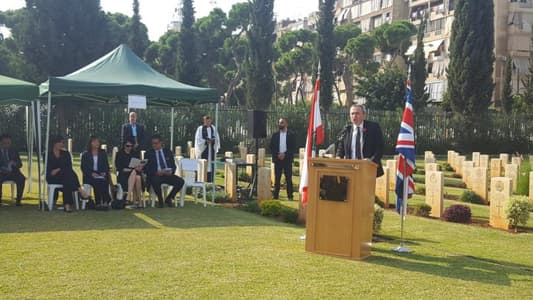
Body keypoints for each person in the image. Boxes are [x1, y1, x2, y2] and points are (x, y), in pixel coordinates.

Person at [336, 104, 384, 177]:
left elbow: (380, 148)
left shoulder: (373, 127)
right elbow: (341, 149)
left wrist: (371, 161)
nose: (354, 116)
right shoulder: (347, 130)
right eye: (352, 114)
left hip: (368, 168)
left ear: (364, 115)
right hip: (350, 169)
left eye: (357, 113)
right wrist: (338, 157)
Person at [46, 136, 90, 212]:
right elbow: (50, 171)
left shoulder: (66, 154)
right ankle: (80, 190)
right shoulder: (48, 154)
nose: (62, 144)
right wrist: (60, 168)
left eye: (63, 142)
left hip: (65, 177)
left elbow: (69, 166)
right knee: (68, 175)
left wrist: (58, 169)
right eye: (60, 142)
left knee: (67, 179)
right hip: (53, 177)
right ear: (54, 143)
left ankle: (67, 205)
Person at [144, 134, 184, 208]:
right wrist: (156, 172)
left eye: (156, 143)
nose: (154, 145)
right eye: (152, 143)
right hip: (156, 175)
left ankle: (169, 198)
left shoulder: (168, 152)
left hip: (167, 174)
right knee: (155, 180)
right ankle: (160, 200)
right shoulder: (148, 153)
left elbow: (173, 166)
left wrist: (171, 171)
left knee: (180, 181)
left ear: (161, 143)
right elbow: (146, 168)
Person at [269, 118, 297, 200]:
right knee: (277, 178)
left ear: (286, 124)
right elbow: (271, 147)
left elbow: (293, 147)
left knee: (288, 178)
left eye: (282, 123)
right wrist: (278, 154)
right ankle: (276, 195)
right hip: (278, 159)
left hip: (287, 159)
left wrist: (285, 154)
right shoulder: (275, 135)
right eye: (279, 123)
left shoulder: (291, 135)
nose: (280, 124)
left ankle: (290, 196)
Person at [81, 136, 112, 208]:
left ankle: (105, 201)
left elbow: (106, 166)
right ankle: (98, 202)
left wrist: (104, 172)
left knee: (104, 180)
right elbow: (83, 168)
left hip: (100, 173)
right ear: (90, 143)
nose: (97, 143)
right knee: (97, 181)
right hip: (89, 175)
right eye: (95, 142)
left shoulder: (102, 153)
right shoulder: (85, 154)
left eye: (98, 142)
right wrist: (91, 174)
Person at [115, 139, 145, 208]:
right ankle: (139, 202)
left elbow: (139, 164)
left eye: (131, 146)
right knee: (136, 175)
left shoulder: (134, 153)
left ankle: (129, 198)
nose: (129, 148)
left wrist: (139, 167)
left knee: (137, 177)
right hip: (124, 175)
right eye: (127, 146)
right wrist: (131, 170)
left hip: (135, 173)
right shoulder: (119, 154)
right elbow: (119, 168)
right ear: (124, 146)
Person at [0, 134, 25, 206]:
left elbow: (20, 164)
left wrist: (14, 163)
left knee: (21, 178)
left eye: (9, 143)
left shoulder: (13, 151)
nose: (7, 145)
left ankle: (18, 200)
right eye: (5, 143)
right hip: (1, 172)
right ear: (0, 142)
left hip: (12, 172)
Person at [194, 115, 220, 182]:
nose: (208, 122)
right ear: (204, 121)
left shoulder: (213, 128)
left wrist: (213, 140)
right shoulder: (200, 128)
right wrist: (205, 141)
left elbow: (217, 138)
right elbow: (198, 139)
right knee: (202, 164)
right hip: (203, 150)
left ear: (211, 121)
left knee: (211, 165)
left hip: (211, 149)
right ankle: (200, 179)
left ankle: (210, 180)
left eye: (209, 121)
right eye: (206, 121)